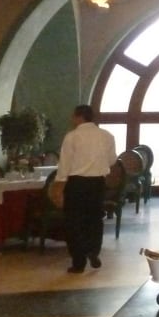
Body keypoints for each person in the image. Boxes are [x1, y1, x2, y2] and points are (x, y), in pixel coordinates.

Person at [54, 104, 117, 273]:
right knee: (95, 219)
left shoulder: (72, 136)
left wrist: (58, 186)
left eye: (73, 116)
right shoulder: (107, 136)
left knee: (74, 221)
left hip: (77, 184)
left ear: (78, 117)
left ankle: (78, 262)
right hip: (98, 183)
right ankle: (93, 251)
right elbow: (112, 160)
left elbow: (65, 164)